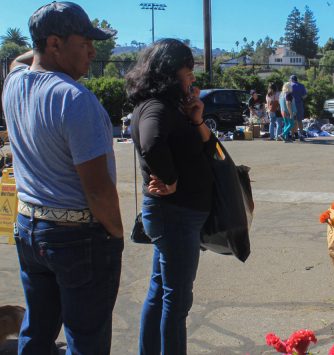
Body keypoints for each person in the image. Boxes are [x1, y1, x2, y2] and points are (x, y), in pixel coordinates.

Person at [1, 2, 124, 354]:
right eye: (84, 41)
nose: (92, 50)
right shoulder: (75, 99)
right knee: (86, 339)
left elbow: (18, 62)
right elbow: (99, 191)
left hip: (29, 228)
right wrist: (115, 234)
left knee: (37, 332)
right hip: (78, 238)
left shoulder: (14, 84)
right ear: (55, 44)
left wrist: (41, 44)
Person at [125, 38, 218, 355]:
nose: (192, 76)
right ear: (170, 70)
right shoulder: (157, 107)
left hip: (177, 216)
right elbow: (151, 144)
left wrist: (197, 118)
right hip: (175, 215)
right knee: (176, 301)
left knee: (160, 292)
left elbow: (209, 147)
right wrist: (171, 179)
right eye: (188, 69)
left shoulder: (174, 107)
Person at [289, 75, 307, 141]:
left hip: (291, 105)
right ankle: (301, 135)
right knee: (299, 120)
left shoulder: (290, 85)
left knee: (292, 121)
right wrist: (299, 98)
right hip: (299, 105)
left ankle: (292, 135)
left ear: (291, 79)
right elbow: (304, 96)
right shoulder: (302, 86)